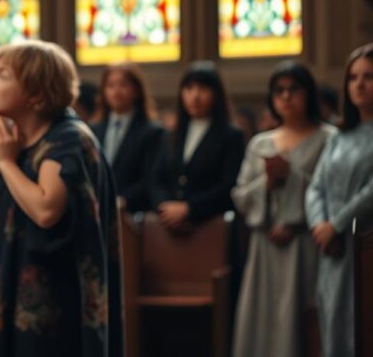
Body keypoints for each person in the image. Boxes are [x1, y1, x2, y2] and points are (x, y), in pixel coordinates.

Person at [0, 40, 121, 357]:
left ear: (36, 93)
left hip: (48, 308)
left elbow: (45, 210)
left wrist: (6, 163)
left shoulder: (69, 140)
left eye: (2, 75)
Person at [232, 61, 335, 357]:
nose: (286, 97)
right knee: (262, 320)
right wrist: (266, 182)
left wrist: (292, 180)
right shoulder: (259, 144)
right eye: (279, 91)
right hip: (265, 244)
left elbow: (330, 191)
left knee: (301, 322)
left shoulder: (328, 139)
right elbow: (240, 195)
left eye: (294, 90)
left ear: (308, 94)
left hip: (306, 243)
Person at [306, 43, 373, 357]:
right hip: (332, 247)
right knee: (332, 322)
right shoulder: (338, 136)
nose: (359, 84)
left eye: (368, 77)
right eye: (353, 77)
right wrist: (320, 224)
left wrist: (338, 223)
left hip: (364, 244)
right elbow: (315, 187)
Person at [150, 61, 246, 230]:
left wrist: (189, 209)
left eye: (203, 89)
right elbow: (156, 179)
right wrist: (165, 207)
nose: (195, 96)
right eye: (189, 88)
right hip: (168, 225)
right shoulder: (171, 134)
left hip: (211, 226)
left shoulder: (231, 136)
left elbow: (229, 186)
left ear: (216, 94)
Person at [91, 62, 165, 213]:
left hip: (132, 213)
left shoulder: (152, 131)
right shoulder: (93, 130)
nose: (116, 91)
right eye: (110, 85)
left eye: (123, 85)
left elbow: (150, 179)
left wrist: (122, 200)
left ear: (137, 91)